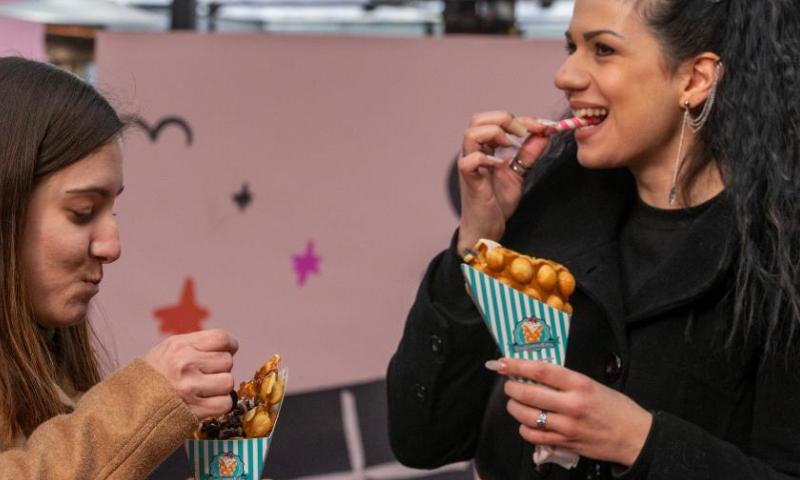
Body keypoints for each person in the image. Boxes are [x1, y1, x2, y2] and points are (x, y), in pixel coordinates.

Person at [387, 0, 800, 479]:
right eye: (571, 46)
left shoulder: (779, 263)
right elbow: (422, 439)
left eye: (603, 49)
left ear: (695, 80)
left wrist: (637, 439)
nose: (565, 75)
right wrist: (478, 241)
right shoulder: (548, 212)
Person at [0, 56, 238, 478]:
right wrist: (140, 404)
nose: (111, 245)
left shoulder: (45, 351)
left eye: (112, 210)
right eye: (83, 211)